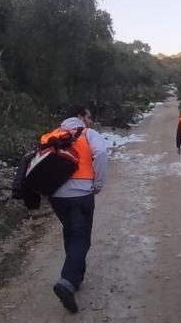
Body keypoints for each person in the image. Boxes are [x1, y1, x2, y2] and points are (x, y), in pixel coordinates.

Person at [49, 105, 109, 314]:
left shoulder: (52, 135)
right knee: (82, 237)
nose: (90, 121)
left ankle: (77, 276)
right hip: (81, 194)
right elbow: (101, 153)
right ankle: (67, 281)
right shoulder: (88, 134)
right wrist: (98, 184)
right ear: (80, 117)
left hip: (56, 197)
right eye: (88, 117)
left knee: (71, 231)